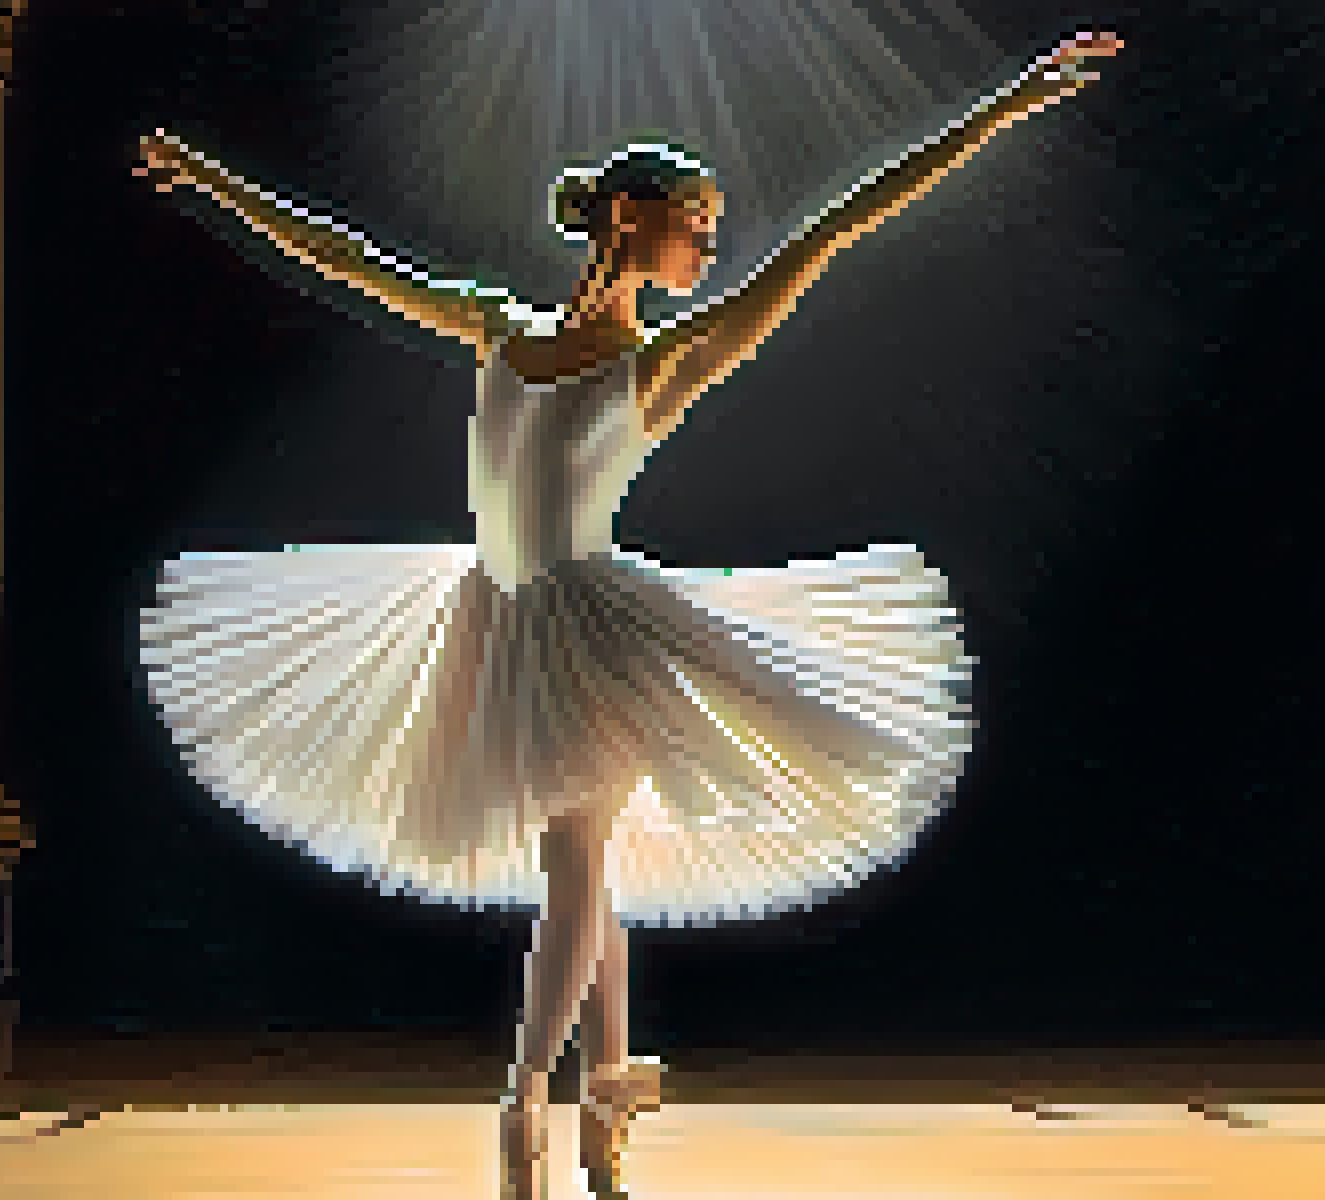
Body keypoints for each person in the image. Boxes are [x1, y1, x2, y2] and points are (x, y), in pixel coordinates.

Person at [134, 30, 1123, 1199]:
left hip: (589, 630)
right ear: (628, 218)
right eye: (693, 216)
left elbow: (840, 227)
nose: (710, 236)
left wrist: (1007, 104)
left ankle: (523, 1108)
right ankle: (608, 1081)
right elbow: (347, 263)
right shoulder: (499, 327)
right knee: (584, 870)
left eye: (712, 221)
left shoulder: (667, 360)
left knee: (572, 864)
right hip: (487, 611)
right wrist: (210, 183)